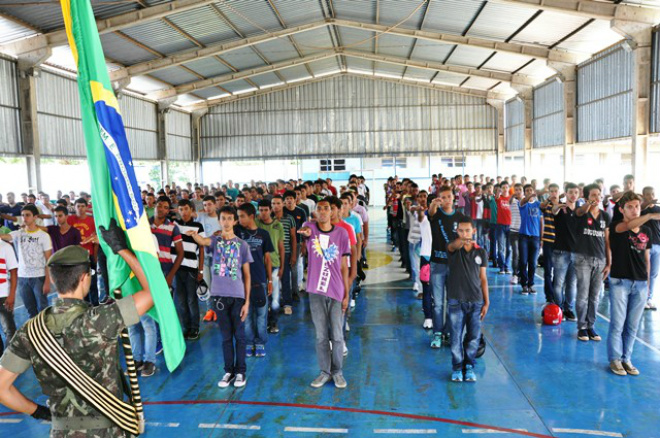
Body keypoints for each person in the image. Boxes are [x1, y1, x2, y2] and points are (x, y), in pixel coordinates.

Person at [0, 222, 156, 437]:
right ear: (84, 278)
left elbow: (2, 388)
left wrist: (39, 412)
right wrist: (122, 250)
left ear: (54, 280)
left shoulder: (30, 331)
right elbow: (152, 292)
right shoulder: (102, 319)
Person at [188, 206, 253, 388]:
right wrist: (194, 235)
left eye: (229, 218)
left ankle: (241, 371)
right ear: (219, 221)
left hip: (238, 297)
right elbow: (203, 241)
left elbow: (247, 275)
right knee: (225, 337)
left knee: (239, 336)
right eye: (223, 218)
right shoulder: (215, 241)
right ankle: (228, 371)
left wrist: (247, 302)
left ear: (235, 221)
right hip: (219, 297)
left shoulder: (242, 245)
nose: (226, 222)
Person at [298, 198, 351, 389]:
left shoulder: (342, 234)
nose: (322, 212)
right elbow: (305, 229)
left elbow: (344, 266)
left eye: (326, 208)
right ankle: (324, 372)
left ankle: (338, 372)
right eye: (319, 209)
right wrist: (305, 232)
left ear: (333, 212)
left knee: (337, 335)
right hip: (316, 290)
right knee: (321, 336)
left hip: (336, 290)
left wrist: (346, 293)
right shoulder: (310, 230)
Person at [607, 192, 659, 376]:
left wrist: (646, 283)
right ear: (621, 209)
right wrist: (651, 214)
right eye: (630, 206)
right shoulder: (617, 226)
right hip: (620, 281)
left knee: (632, 325)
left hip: (640, 284)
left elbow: (647, 257)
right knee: (618, 323)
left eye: (637, 206)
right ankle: (615, 359)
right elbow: (628, 225)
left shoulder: (647, 231)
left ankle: (626, 358)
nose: (634, 209)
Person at [446, 217, 489, 382]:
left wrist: (487, 301)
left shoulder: (481, 252)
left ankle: (469, 366)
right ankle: (457, 367)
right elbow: (452, 245)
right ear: (457, 232)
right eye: (461, 230)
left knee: (473, 337)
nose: (465, 233)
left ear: (474, 231)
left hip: (476, 301)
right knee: (455, 337)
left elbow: (483, 278)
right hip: (456, 300)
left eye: (468, 230)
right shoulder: (453, 249)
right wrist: (460, 241)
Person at [428, 186, 466, 348]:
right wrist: (432, 205)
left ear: (454, 198)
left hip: (455, 265)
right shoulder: (435, 215)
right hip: (437, 264)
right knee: (438, 303)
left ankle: (450, 332)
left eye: (449, 196)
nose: (446, 199)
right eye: (442, 197)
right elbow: (429, 214)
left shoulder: (460, 217)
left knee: (453, 302)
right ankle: (437, 333)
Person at [0, 205, 52, 318]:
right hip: (23, 278)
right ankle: (34, 333)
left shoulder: (44, 236)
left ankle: (46, 332)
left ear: (35, 217)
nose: (24, 218)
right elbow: (5, 236)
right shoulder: (18, 234)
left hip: (39, 277)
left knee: (43, 309)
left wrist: (47, 281)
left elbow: (49, 260)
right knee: (30, 310)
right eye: (23, 215)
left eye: (27, 215)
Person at [236, 203, 273, 358]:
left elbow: (267, 259)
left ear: (251, 216)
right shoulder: (237, 232)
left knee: (261, 314)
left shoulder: (263, 234)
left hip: (260, 280)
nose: (239, 219)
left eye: (242, 216)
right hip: (241, 282)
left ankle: (260, 342)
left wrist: (270, 280)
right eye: (238, 216)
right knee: (246, 314)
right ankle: (249, 342)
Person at [574, 184, 611, 342]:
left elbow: (607, 240)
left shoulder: (605, 216)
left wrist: (609, 263)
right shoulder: (581, 212)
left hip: (600, 259)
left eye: (599, 194)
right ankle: (582, 327)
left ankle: (591, 325)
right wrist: (588, 204)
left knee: (595, 296)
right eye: (593, 195)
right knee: (582, 295)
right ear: (587, 197)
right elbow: (580, 211)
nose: (597, 197)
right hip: (583, 259)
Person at [174, 199, 205, 340]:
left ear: (191, 210)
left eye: (186, 208)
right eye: (180, 209)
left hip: (191, 268)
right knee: (180, 300)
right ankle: (185, 327)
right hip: (176, 268)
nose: (183, 212)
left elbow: (202, 248)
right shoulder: (174, 225)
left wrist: (201, 270)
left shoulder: (198, 226)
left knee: (192, 300)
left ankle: (195, 328)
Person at [256, 200, 285, 334]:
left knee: (274, 297)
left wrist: (282, 266)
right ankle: (262, 323)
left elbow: (281, 246)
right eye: (260, 210)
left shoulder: (278, 225)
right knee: (261, 296)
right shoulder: (255, 224)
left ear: (270, 210)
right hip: (259, 266)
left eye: (265, 210)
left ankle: (273, 322)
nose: (263, 213)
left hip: (274, 265)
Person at [552, 183, 580, 322]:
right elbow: (554, 210)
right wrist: (558, 204)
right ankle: (559, 308)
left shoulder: (580, 211)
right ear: (566, 193)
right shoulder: (561, 208)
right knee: (558, 283)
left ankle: (569, 309)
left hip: (576, 253)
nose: (573, 195)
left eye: (576, 192)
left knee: (572, 284)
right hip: (560, 252)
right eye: (571, 192)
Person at [67, 198, 98, 306]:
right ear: (74, 207)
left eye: (82, 206)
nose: (80, 208)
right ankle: (84, 307)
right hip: (75, 257)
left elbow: (96, 240)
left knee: (92, 284)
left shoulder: (92, 221)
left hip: (89, 256)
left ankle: (95, 306)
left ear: (86, 207)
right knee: (78, 284)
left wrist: (95, 256)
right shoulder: (70, 220)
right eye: (78, 206)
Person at [196, 196, 222, 322]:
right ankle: (209, 309)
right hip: (204, 256)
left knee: (218, 285)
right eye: (205, 205)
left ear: (215, 204)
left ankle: (218, 309)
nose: (207, 207)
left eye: (209, 204)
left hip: (218, 256)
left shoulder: (221, 218)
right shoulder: (200, 217)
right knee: (207, 284)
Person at [271, 196, 296, 315]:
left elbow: (293, 237)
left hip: (285, 253)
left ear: (283, 204)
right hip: (272, 254)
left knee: (285, 278)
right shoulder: (268, 219)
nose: (275, 206)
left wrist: (293, 254)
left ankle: (287, 304)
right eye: (273, 203)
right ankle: (273, 303)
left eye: (278, 203)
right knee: (272, 279)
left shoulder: (289, 218)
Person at [518, 185, 543, 295]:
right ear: (524, 193)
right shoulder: (523, 204)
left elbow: (542, 222)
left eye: (530, 190)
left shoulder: (538, 205)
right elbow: (523, 201)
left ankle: (531, 284)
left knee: (533, 263)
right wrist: (529, 196)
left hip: (535, 238)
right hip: (524, 236)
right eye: (527, 191)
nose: (529, 192)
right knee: (523, 261)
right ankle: (524, 284)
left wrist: (541, 238)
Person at [540, 184, 560, 303]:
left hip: (559, 242)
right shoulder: (546, 205)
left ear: (559, 192)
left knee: (558, 271)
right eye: (551, 191)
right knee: (548, 270)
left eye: (555, 191)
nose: (553, 193)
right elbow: (541, 206)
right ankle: (549, 295)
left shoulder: (562, 206)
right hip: (547, 241)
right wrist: (548, 199)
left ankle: (556, 293)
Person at [641, 186, 659, 310]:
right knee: (644, 272)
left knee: (653, 273)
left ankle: (649, 298)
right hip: (644, 244)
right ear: (643, 196)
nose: (650, 196)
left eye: (652, 193)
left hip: (657, 244)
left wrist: (652, 215)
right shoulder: (641, 209)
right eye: (647, 194)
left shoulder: (658, 209)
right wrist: (647, 208)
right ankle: (642, 298)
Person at [0, 238, 18, 354]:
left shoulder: (5, 247)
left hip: (4, 295)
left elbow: (14, 273)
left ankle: (7, 362)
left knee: (10, 330)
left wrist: (11, 295)